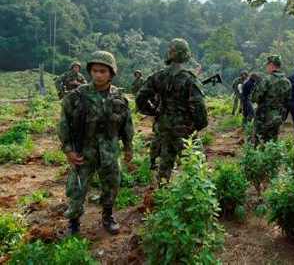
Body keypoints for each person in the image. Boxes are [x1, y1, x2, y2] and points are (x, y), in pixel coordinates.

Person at [58, 51, 133, 235]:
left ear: (111, 73)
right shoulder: (76, 96)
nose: (98, 75)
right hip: (84, 151)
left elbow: (126, 124)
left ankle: (107, 216)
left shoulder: (119, 98)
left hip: (109, 151)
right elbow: (64, 124)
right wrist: (68, 150)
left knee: (112, 185)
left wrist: (128, 147)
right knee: (77, 188)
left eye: (103, 71)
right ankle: (73, 223)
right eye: (94, 70)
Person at [136, 38, 208, 181]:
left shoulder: (157, 77)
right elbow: (199, 107)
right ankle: (195, 197)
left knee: (164, 166)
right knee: (196, 165)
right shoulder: (189, 79)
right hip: (185, 129)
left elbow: (140, 98)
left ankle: (162, 193)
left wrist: (154, 112)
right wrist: (197, 125)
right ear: (186, 55)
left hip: (163, 126)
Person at [251, 55, 291, 145]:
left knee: (259, 142)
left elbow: (255, 98)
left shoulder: (267, 80)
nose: (266, 67)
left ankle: (257, 158)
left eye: (267, 65)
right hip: (278, 117)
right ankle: (270, 158)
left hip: (263, 117)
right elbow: (288, 101)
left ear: (271, 65)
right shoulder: (287, 82)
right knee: (272, 143)